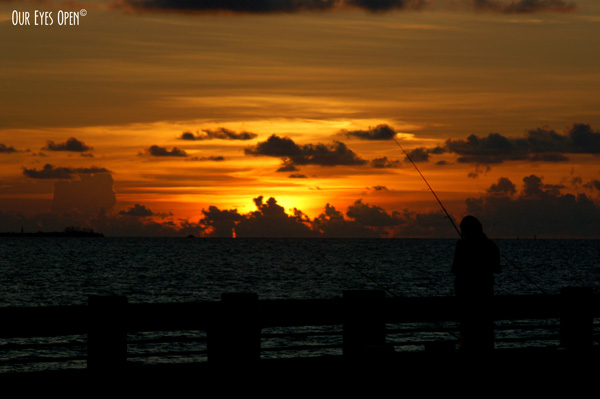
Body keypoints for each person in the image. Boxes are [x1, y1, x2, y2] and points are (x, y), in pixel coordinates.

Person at [451, 215, 500, 352]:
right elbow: (497, 269)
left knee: (467, 335)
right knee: (485, 337)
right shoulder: (491, 245)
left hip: (466, 300)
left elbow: (455, 270)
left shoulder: (461, 245)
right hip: (486, 299)